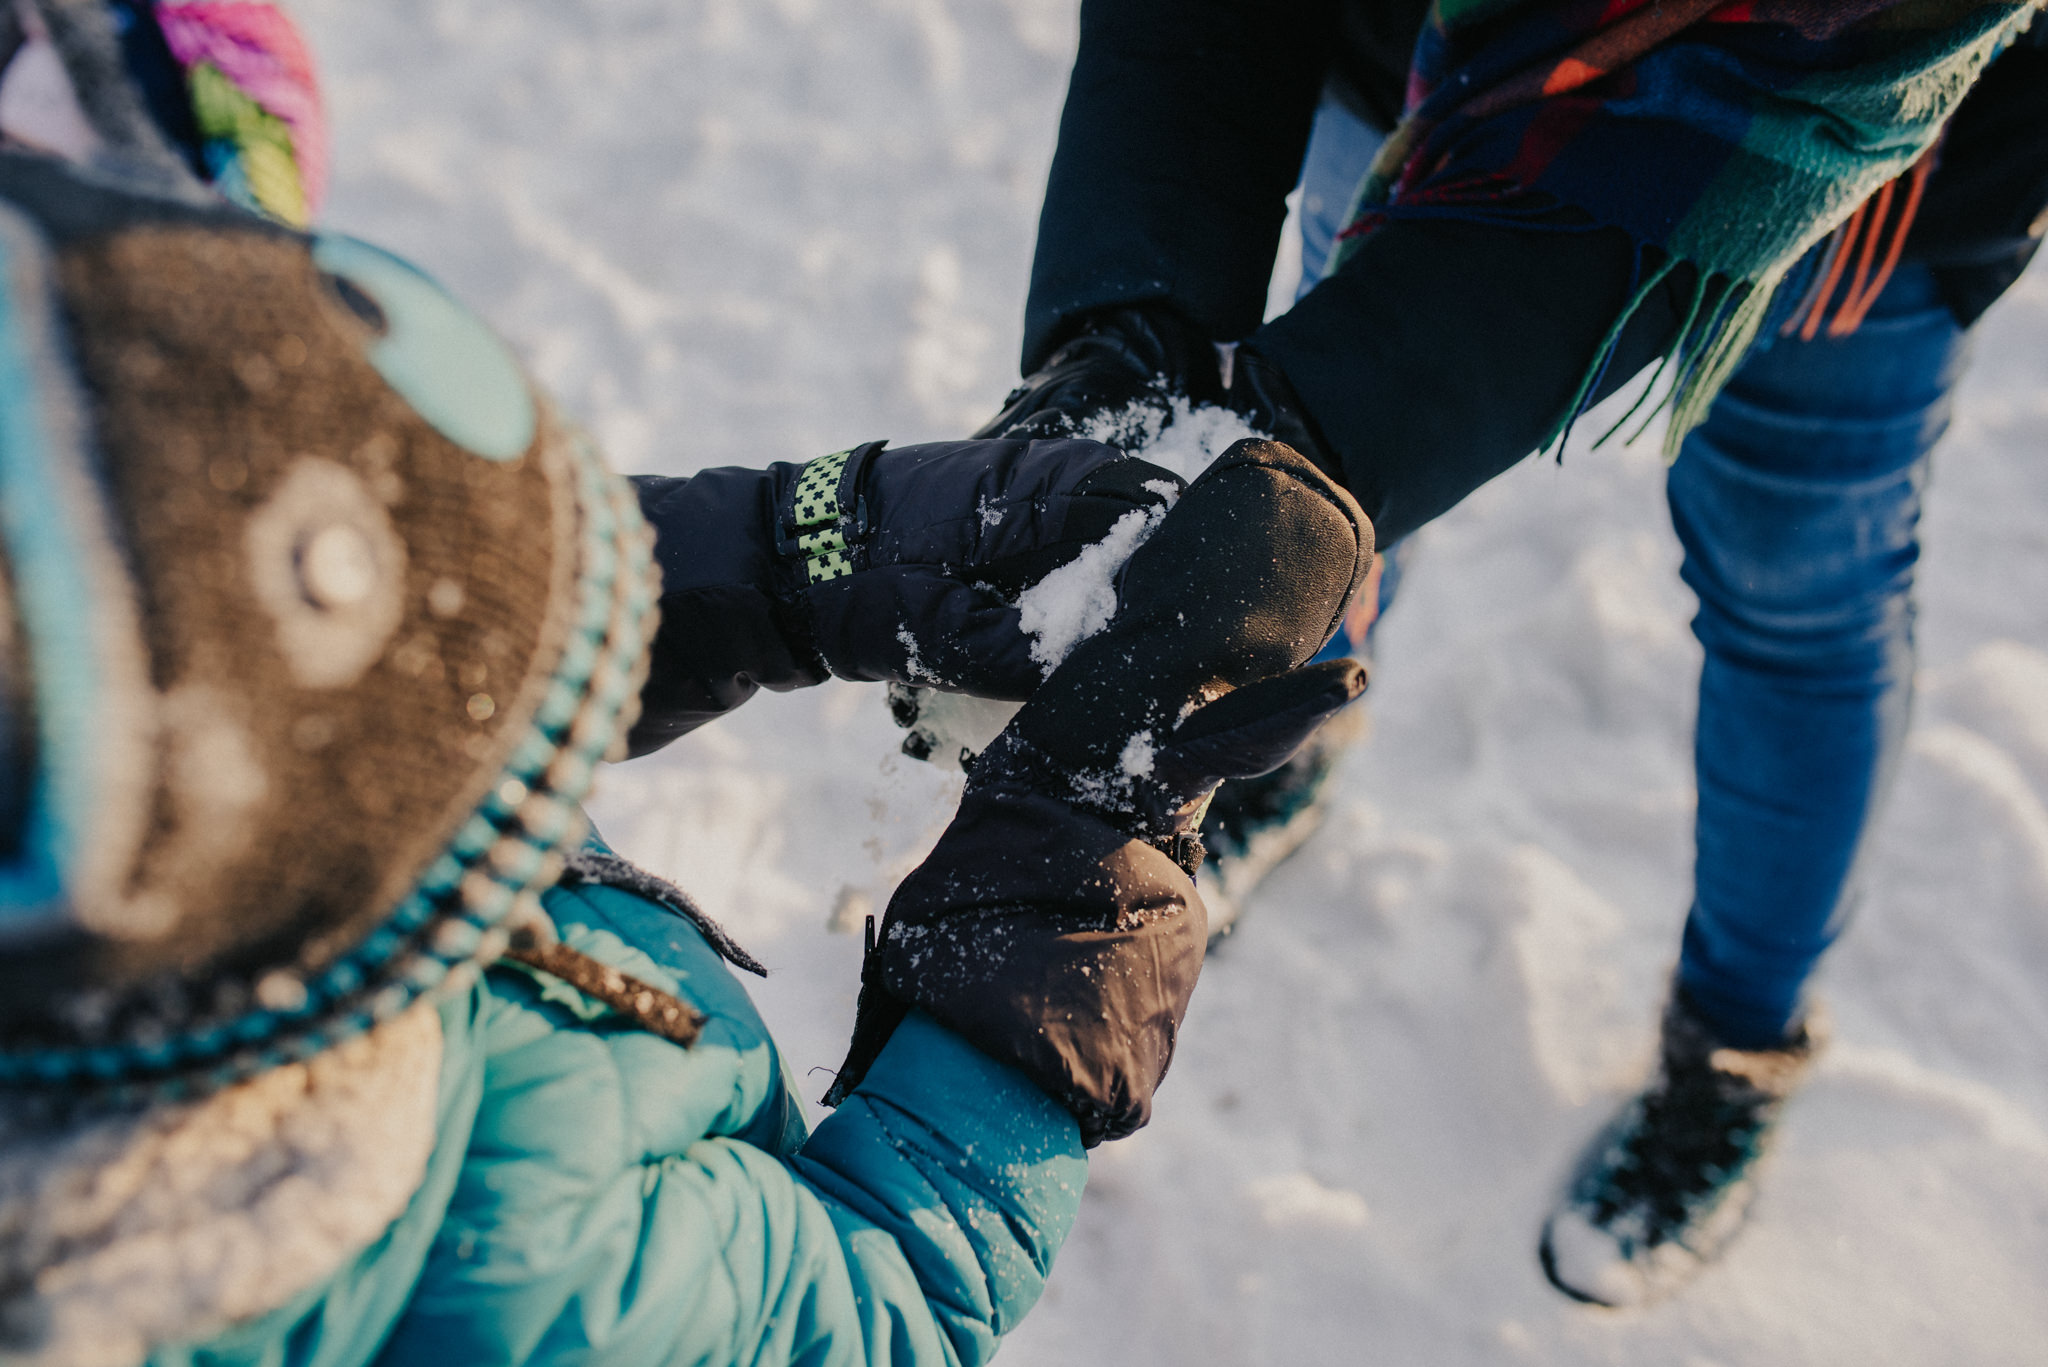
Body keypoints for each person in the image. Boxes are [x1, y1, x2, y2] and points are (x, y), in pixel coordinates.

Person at [0, 5, 1375, 1364]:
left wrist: (812, 550)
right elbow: (892, 1281)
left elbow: (426, 660)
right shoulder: (508, 1278)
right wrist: (1077, 868)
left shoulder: (208, 808)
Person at [977, 0, 2048, 1306]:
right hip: (1410, 75)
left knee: (1797, 601)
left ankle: (1737, 1048)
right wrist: (1121, 329)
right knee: (1301, 487)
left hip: (1859, 156)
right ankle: (1282, 750)